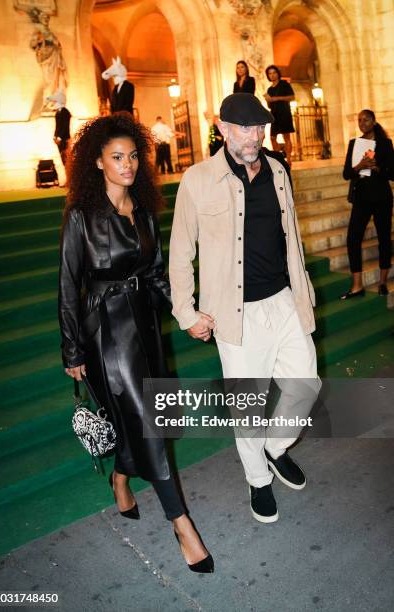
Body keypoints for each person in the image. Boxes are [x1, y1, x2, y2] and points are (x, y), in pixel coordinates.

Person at [58, 113, 213, 573]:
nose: (128, 165)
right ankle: (181, 524)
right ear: (98, 164)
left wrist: (188, 317)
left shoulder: (143, 212)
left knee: (147, 420)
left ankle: (121, 478)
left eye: (132, 157)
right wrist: (71, 350)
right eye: (117, 157)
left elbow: (156, 275)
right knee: (148, 421)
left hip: (145, 326)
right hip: (106, 334)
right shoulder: (82, 218)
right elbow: (69, 285)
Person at [169, 93, 321, 524]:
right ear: (222, 129)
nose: (254, 136)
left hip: (285, 300)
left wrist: (302, 292)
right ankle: (258, 480)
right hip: (235, 314)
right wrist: (187, 312)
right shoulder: (197, 180)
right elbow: (180, 253)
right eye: (243, 128)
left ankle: (274, 448)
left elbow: (290, 237)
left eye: (259, 127)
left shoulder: (278, 170)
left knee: (305, 385)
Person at [340, 110, 394, 299]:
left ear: (374, 121)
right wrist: (360, 166)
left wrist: (378, 167)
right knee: (353, 238)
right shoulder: (355, 144)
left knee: (384, 239)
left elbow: (393, 173)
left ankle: (382, 282)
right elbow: (346, 173)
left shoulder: (385, 144)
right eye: (360, 120)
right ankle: (357, 285)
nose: (362, 123)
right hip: (362, 198)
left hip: (382, 198)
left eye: (366, 119)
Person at [263, 65, 295, 166]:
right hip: (274, 114)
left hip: (284, 112)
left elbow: (292, 97)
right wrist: (268, 100)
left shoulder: (284, 84)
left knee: (287, 137)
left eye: (274, 73)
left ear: (278, 73)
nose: (272, 75)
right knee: (272, 137)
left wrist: (276, 98)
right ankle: (278, 158)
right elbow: (269, 105)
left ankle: (289, 159)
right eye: (270, 73)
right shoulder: (269, 89)